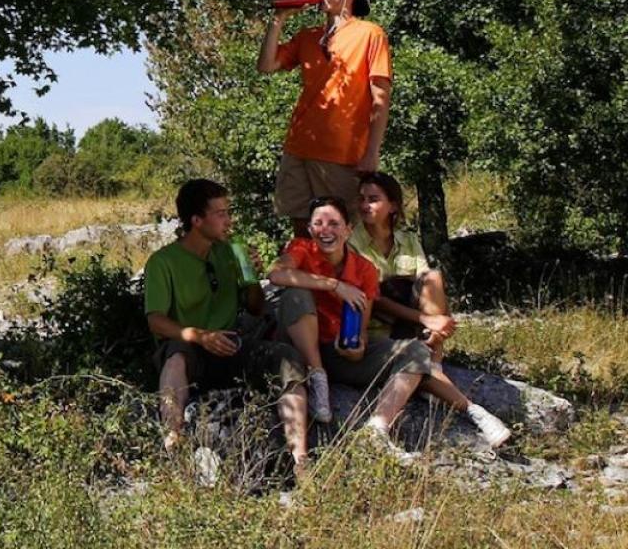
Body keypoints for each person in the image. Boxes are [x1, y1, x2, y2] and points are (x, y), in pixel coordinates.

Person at [267, 196, 509, 448]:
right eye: (318, 223)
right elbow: (276, 274)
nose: (325, 230)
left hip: (337, 351)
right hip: (301, 351)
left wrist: (356, 348)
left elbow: (361, 330)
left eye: (333, 223)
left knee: (414, 351)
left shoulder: (364, 270)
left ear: (348, 229)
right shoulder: (301, 249)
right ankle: (317, 378)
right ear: (309, 229)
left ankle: (378, 427)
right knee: (297, 294)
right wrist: (335, 285)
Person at [145, 179, 310, 476]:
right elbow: (155, 320)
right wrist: (198, 335)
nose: (228, 220)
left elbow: (256, 308)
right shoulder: (163, 262)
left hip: (231, 343)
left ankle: (300, 457)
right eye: (220, 213)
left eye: (228, 211)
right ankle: (173, 438)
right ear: (196, 220)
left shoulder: (230, 251)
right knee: (176, 357)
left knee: (286, 357)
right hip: (191, 345)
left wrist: (249, 274)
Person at [354, 172, 510, 446]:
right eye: (362, 199)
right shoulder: (352, 241)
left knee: (434, 277)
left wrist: (435, 323)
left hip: (411, 321)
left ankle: (434, 359)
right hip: (377, 324)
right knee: (411, 340)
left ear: (393, 205)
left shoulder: (407, 239)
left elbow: (425, 281)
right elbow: (372, 298)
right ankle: (469, 407)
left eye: (374, 199)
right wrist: (426, 318)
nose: (365, 205)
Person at [257, 0, 392, 236]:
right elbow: (266, 65)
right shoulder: (308, 37)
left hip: (340, 154)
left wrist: (372, 152)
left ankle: (351, 281)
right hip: (297, 147)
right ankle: (308, 280)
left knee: (344, 233)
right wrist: (278, 18)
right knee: (302, 228)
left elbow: (381, 97)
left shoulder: (370, 33)